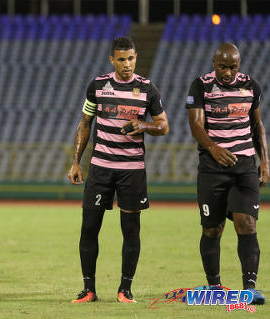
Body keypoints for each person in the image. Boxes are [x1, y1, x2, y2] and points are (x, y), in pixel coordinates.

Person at [68, 37, 169, 303]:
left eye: (131, 58)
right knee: (89, 228)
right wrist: (76, 161)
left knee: (131, 230)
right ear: (112, 60)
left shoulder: (148, 89)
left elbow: (163, 126)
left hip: (131, 170)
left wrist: (144, 126)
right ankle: (88, 289)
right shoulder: (98, 86)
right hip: (100, 167)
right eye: (122, 59)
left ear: (136, 58)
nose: (127, 64)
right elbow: (85, 123)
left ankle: (125, 290)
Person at [185, 42, 267, 305]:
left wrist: (264, 161)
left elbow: (257, 126)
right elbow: (196, 126)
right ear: (214, 63)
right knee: (212, 229)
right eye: (223, 66)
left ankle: (250, 287)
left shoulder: (251, 86)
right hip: (212, 168)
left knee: (247, 223)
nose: (228, 72)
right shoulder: (201, 86)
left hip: (244, 166)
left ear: (239, 64)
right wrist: (212, 147)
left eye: (233, 67)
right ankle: (215, 287)